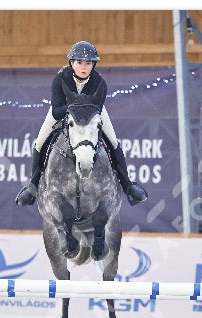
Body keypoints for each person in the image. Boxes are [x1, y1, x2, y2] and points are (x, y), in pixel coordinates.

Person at [15, 41, 148, 207]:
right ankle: (33, 186)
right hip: (63, 112)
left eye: (88, 63)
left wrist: (79, 108)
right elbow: (56, 111)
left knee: (113, 141)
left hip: (92, 115)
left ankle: (128, 185)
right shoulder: (60, 79)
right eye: (79, 63)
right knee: (40, 142)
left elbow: (96, 111)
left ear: (93, 65)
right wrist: (73, 108)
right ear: (72, 63)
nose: (84, 67)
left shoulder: (99, 82)